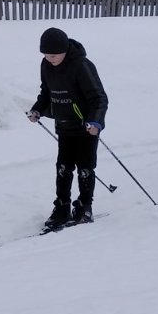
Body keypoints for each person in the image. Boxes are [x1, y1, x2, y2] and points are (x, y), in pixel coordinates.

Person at [27, 27, 108, 232]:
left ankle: (84, 207)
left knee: (85, 167)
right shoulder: (46, 65)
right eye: (45, 54)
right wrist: (37, 110)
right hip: (64, 125)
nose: (49, 58)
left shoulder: (81, 65)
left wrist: (96, 122)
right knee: (63, 168)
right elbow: (46, 93)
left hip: (85, 128)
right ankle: (61, 208)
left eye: (53, 55)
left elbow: (99, 98)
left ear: (64, 50)